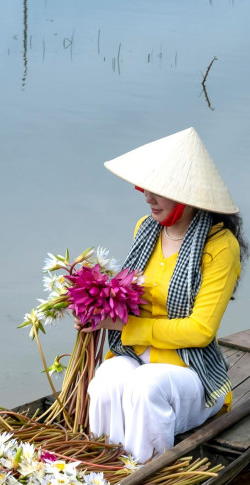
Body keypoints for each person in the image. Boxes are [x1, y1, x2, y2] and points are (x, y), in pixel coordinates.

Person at [83, 127, 246, 462]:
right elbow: (128, 298)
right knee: (106, 381)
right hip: (137, 356)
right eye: (147, 188)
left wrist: (126, 328)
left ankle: (144, 475)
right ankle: (102, 468)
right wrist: (97, 312)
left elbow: (200, 331)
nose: (147, 196)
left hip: (190, 371)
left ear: (186, 194)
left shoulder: (219, 246)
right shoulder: (146, 229)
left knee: (146, 385)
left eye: (158, 190)